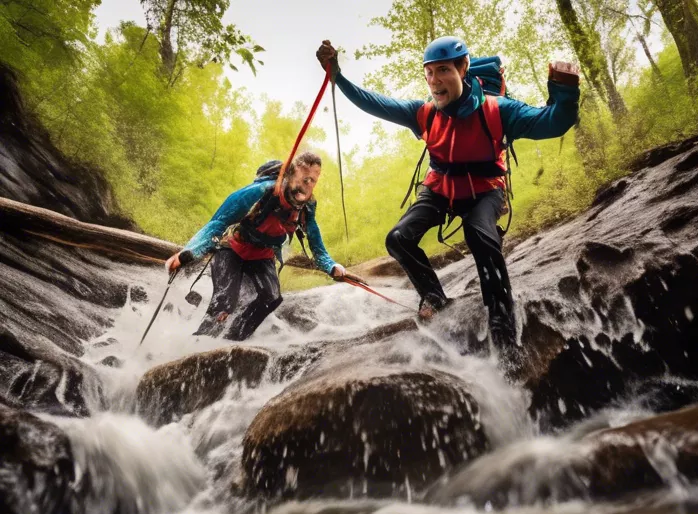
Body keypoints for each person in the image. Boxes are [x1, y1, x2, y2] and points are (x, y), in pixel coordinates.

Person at [316, 37, 580, 358]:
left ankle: (503, 330)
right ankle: (434, 298)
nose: (434, 81)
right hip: (440, 189)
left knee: (479, 235)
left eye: (442, 70)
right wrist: (338, 76)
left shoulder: (498, 110)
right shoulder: (424, 113)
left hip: (485, 190)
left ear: (463, 68)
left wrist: (564, 91)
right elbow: (375, 102)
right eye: (428, 73)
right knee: (398, 238)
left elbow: (553, 122)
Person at [165, 152, 363, 341]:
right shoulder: (260, 191)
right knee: (225, 301)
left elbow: (316, 244)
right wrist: (188, 253)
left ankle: (232, 341)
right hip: (232, 249)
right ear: (291, 174)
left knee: (271, 298)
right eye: (304, 178)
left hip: (263, 256)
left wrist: (331, 267)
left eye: (313, 181)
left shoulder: (307, 207)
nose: (308, 185)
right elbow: (218, 222)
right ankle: (198, 343)